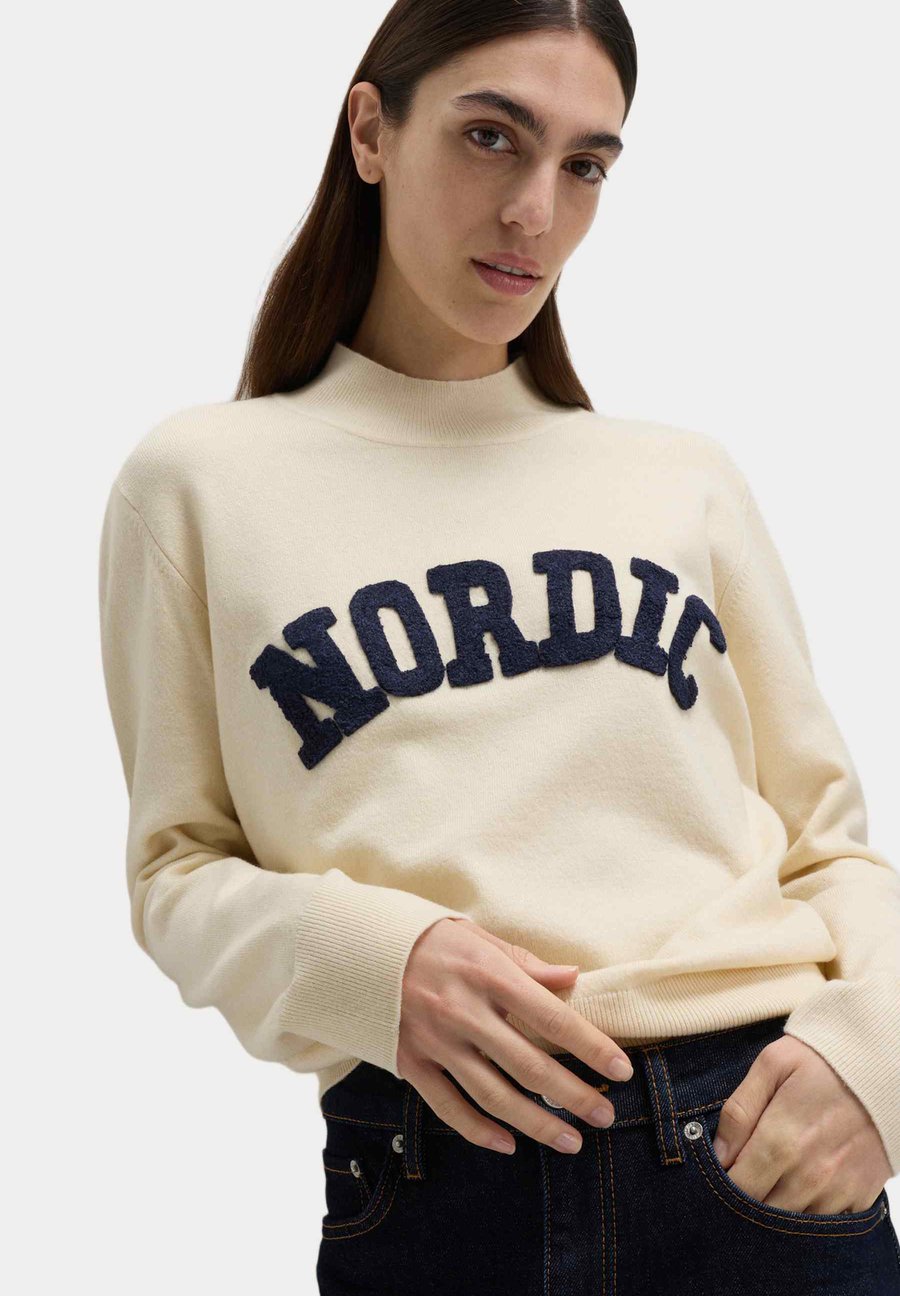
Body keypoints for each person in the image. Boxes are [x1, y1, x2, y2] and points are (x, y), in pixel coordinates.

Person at [97, 1, 900, 1291]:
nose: (537, 210)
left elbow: (828, 848)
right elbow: (176, 872)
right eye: (490, 137)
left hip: (755, 1146)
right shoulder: (199, 483)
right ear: (371, 131)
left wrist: (879, 1060)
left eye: (586, 165)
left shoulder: (680, 478)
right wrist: (374, 963)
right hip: (434, 1174)